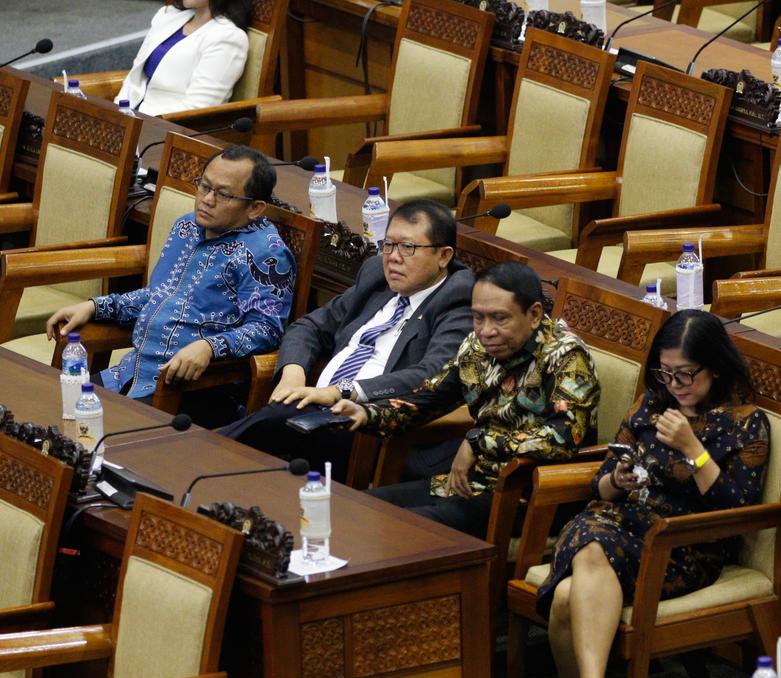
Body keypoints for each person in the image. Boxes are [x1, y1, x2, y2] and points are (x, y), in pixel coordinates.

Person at [535, 310, 770, 678]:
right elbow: (602, 482)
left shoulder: (743, 424)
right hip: (618, 522)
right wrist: (619, 479)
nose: (674, 385)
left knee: (566, 595)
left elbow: (737, 509)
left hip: (681, 545)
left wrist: (692, 450)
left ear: (714, 367)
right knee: (591, 540)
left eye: (685, 374)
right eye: (666, 373)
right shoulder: (650, 406)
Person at [333, 261, 600, 538]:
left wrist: (478, 442)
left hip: (532, 496)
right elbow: (428, 399)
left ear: (533, 314)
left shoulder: (566, 356)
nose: (486, 331)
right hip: (471, 484)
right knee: (363, 508)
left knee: (400, 529)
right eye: (478, 317)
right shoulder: (476, 347)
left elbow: (563, 438)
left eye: (500, 318)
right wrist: (366, 413)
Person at [218, 200, 473, 480]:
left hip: (370, 426)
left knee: (275, 423)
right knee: (263, 448)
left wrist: (341, 391)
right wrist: (293, 374)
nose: (394, 257)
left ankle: (197, 455)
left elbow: (429, 375)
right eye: (388, 244)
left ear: (444, 256)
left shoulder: (458, 300)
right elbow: (310, 326)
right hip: (314, 405)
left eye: (408, 248)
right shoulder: (378, 275)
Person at [45, 145, 293, 427]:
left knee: (87, 430)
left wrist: (209, 347)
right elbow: (159, 295)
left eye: (223, 194)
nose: (207, 200)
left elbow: (267, 329)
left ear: (255, 208)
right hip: (132, 372)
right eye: (204, 186)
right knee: (51, 412)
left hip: (192, 389)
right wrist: (95, 306)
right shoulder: (186, 227)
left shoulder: (266, 253)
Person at [115, 0, 251, 116]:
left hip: (167, 131)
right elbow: (134, 78)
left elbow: (198, 107)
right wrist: (118, 112)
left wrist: (138, 119)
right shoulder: (168, 15)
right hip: (128, 117)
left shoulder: (228, 38)